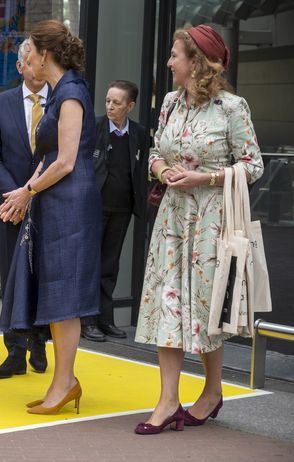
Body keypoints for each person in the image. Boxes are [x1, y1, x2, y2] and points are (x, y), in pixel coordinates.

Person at [134, 25, 263, 435]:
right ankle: (168, 400)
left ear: (196, 63)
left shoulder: (231, 107)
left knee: (207, 310)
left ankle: (211, 392)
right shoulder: (171, 102)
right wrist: (162, 169)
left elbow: (253, 165)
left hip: (212, 223)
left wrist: (202, 178)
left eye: (175, 56)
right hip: (172, 219)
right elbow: (155, 150)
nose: (169, 62)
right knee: (167, 304)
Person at [0, 20, 101, 415]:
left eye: (29, 52)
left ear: (44, 54)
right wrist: (25, 195)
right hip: (56, 201)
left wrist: (27, 191)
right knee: (58, 293)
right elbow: (48, 160)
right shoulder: (61, 91)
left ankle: (65, 383)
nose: (26, 59)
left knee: (66, 295)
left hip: (71, 202)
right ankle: (62, 382)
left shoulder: (70, 92)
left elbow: (67, 161)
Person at [0, 39, 49, 379]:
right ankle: (14, 349)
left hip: (49, 201)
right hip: (9, 204)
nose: (38, 68)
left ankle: (39, 340)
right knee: (11, 274)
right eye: (32, 61)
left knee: (43, 272)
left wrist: (32, 192)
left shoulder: (60, 101)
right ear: (20, 66)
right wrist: (15, 195)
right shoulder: (1, 103)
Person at [81, 80, 150, 342]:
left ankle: (105, 319)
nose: (110, 106)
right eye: (108, 100)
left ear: (130, 106)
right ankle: (87, 321)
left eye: (117, 102)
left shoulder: (140, 133)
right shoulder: (94, 127)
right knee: (90, 264)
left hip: (122, 208)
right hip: (94, 208)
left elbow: (141, 168)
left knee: (110, 265)